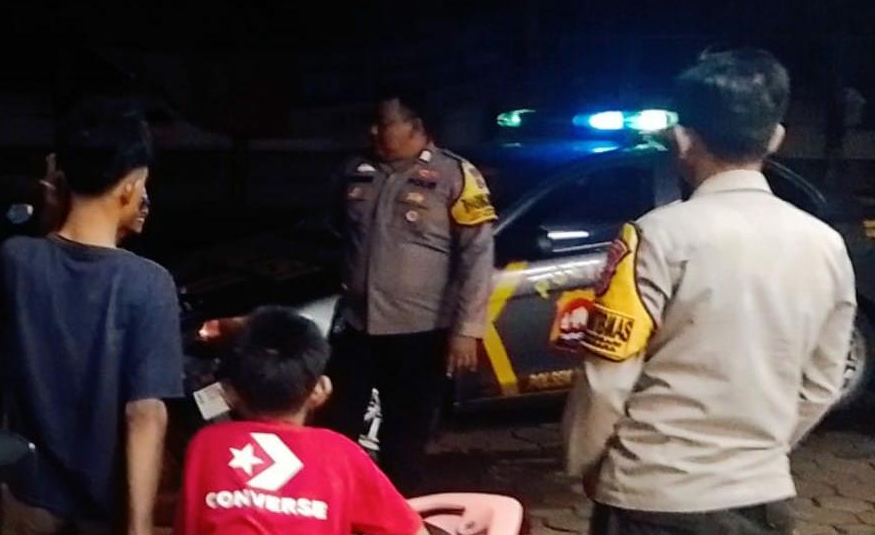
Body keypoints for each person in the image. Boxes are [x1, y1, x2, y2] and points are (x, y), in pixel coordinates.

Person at [561, 49, 858, 535]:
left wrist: (585, 464)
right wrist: (758, 455)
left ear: (682, 139)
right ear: (776, 138)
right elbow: (823, 382)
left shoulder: (655, 236)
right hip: (760, 500)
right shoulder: (826, 245)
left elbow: (606, 378)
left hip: (650, 497)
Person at [0, 101, 182, 535]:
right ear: (129, 187)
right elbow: (145, 414)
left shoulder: (15, 260)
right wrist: (139, 525)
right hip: (104, 509)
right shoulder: (149, 284)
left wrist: (52, 205)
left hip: (26, 497)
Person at [317, 93, 496, 494]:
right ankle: (334, 509)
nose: (373, 131)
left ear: (416, 126)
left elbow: (477, 256)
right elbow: (335, 233)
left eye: (384, 123)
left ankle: (400, 512)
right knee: (334, 429)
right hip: (357, 327)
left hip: (421, 332)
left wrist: (467, 329)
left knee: (405, 439)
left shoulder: (455, 175)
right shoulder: (354, 170)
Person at [178, 308, 427, 535]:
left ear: (230, 393)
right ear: (320, 390)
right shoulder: (340, 452)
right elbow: (412, 532)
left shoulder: (205, 445)